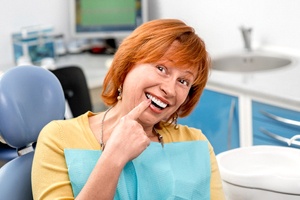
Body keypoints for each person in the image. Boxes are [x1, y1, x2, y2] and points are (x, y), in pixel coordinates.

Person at [32, 18, 225, 200]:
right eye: (161, 68)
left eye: (183, 81)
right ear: (127, 67)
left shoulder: (197, 145)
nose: (170, 89)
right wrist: (114, 157)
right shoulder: (58, 138)